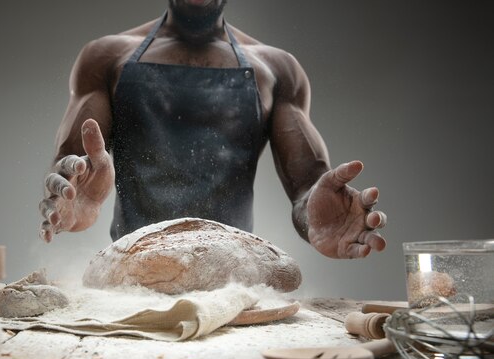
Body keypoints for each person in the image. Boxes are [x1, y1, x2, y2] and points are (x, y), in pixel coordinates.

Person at [39, 0, 387, 259]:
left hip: (234, 283)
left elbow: (308, 187)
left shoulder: (276, 68)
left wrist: (318, 216)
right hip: (131, 277)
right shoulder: (104, 57)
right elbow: (72, 168)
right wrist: (71, 196)